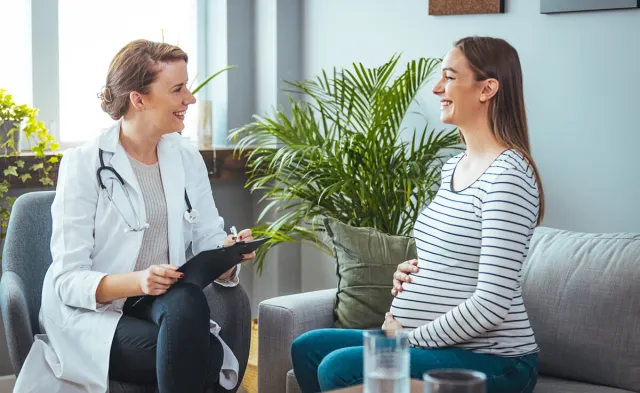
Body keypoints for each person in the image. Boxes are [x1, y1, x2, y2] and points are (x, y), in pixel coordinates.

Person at [290, 36, 544, 393]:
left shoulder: (509, 175)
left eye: (450, 77)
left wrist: (405, 339)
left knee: (340, 366)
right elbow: (452, 256)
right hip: (440, 344)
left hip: (496, 360)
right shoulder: (453, 166)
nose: (437, 87)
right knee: (308, 347)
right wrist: (415, 270)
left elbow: (491, 304)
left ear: (487, 89)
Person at [14, 39, 254, 393]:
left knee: (188, 302)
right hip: (93, 314)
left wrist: (229, 254)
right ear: (138, 100)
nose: (190, 98)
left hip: (164, 300)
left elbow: (207, 239)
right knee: (204, 358)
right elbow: (68, 279)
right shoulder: (83, 164)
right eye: (177, 89)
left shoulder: (186, 158)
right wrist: (140, 281)